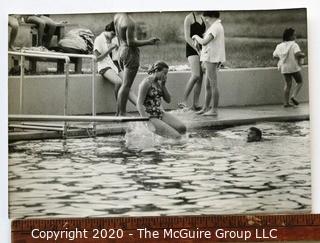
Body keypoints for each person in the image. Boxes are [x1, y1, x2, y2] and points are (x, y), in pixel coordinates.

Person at [114, 13, 160, 116]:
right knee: (126, 85)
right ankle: (122, 113)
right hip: (130, 53)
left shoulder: (117, 16)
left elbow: (119, 37)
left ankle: (118, 113)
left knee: (124, 85)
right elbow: (131, 42)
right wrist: (149, 42)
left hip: (121, 50)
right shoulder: (130, 22)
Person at [94, 21, 137, 115]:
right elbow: (96, 59)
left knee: (127, 84)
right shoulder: (99, 39)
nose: (113, 36)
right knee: (118, 82)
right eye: (113, 33)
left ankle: (140, 107)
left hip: (113, 65)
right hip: (103, 66)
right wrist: (109, 49)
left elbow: (117, 57)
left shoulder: (113, 39)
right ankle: (119, 111)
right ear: (108, 30)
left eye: (115, 35)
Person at [137, 61, 187, 139]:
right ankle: (171, 147)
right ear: (157, 71)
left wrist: (163, 86)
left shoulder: (159, 83)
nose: (165, 76)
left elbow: (168, 100)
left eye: (166, 74)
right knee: (176, 137)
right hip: (150, 116)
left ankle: (166, 142)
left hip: (159, 113)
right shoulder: (146, 83)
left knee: (182, 128)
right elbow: (139, 104)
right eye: (164, 73)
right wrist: (146, 122)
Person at [192, 11, 225, 116]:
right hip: (209, 57)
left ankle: (214, 110)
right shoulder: (216, 26)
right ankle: (206, 108)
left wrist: (195, 36)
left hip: (212, 58)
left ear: (212, 16)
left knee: (213, 84)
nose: (206, 20)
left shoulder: (215, 27)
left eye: (206, 18)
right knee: (208, 85)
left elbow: (205, 42)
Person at [178, 12, 206, 111]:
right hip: (191, 49)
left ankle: (195, 104)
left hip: (202, 49)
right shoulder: (188, 18)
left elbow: (204, 35)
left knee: (200, 78)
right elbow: (187, 37)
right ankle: (183, 101)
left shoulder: (202, 18)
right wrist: (197, 49)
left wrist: (204, 50)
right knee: (196, 75)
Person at [273, 28, 305, 107]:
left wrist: (282, 58)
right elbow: (297, 55)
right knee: (300, 82)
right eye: (294, 34)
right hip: (293, 67)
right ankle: (293, 96)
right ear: (290, 37)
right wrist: (303, 55)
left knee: (288, 85)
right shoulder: (294, 44)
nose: (295, 36)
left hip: (284, 68)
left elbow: (274, 56)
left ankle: (286, 103)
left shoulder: (279, 46)